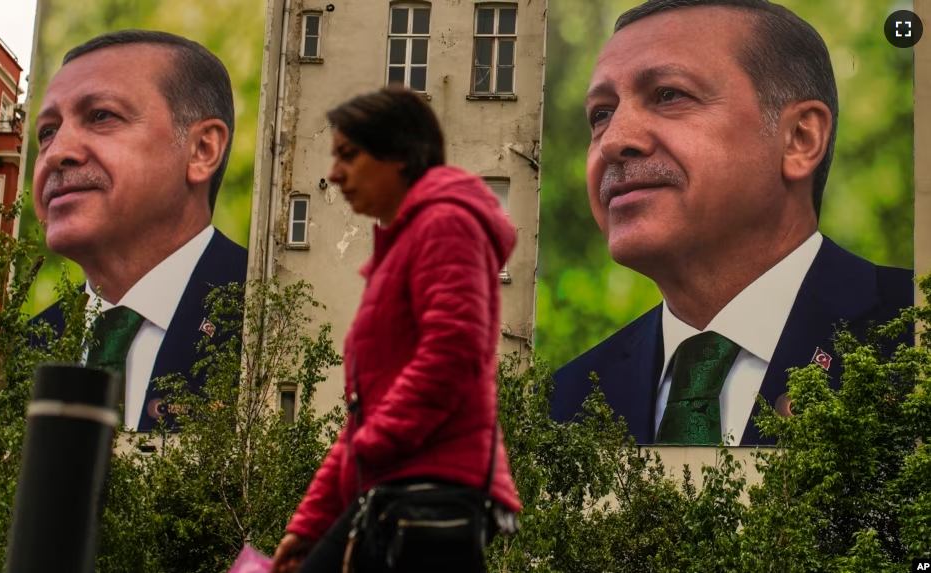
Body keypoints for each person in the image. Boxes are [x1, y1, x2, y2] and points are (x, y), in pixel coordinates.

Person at [550, 0, 914, 446]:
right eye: (601, 114)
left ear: (800, 139)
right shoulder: (557, 409)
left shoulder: (916, 335)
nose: (614, 141)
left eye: (668, 94)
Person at [270, 87, 521, 573]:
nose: (333, 173)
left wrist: (371, 446)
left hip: (427, 493)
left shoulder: (446, 225)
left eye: (349, 154)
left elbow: (452, 351)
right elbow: (365, 415)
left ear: (401, 155)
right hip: (397, 487)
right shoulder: (406, 242)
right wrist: (308, 527)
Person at [30, 30, 248, 432]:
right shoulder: (25, 347)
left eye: (101, 116)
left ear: (202, 150)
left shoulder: (265, 314)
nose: (57, 152)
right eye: (47, 131)